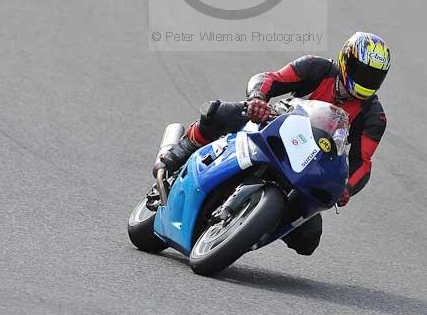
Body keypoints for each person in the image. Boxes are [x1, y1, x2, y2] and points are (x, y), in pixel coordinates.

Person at [156, 31, 391, 256]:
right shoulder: (316, 67)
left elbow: (363, 162)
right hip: (275, 127)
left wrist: (347, 187)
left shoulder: (374, 116)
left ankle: (250, 226)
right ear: (346, 61)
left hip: (310, 163)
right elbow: (270, 79)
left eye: (373, 76)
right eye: (361, 72)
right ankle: (180, 152)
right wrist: (258, 99)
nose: (365, 81)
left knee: (309, 238)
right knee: (217, 112)